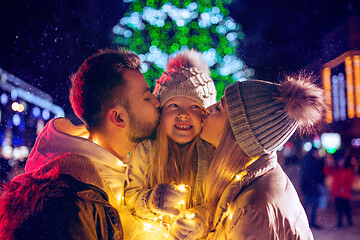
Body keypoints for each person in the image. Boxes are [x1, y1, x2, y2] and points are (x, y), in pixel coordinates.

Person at [0, 48, 160, 240]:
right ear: (118, 117)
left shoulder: (120, 177)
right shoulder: (71, 204)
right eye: (147, 97)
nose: (157, 102)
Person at [200, 76, 326, 239]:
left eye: (218, 108)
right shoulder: (250, 182)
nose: (207, 109)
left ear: (239, 132)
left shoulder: (253, 210)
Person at [123, 49, 217, 240]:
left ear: (205, 115)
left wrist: (199, 220)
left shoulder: (213, 153)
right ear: (160, 112)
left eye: (195, 107)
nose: (183, 114)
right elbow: (130, 197)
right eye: (174, 105)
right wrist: (152, 201)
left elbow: (220, 202)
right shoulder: (146, 150)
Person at [324, 153, 355, 228]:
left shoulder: (348, 169)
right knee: (338, 209)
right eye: (340, 160)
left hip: (345, 193)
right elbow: (326, 171)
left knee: (347, 208)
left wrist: (345, 188)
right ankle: (340, 223)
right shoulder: (335, 169)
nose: (341, 162)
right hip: (337, 192)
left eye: (343, 160)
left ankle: (349, 222)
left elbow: (350, 180)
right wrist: (327, 164)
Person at [301, 146, 325, 229]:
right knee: (310, 206)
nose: (318, 154)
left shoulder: (308, 161)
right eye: (317, 152)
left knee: (307, 206)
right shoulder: (313, 162)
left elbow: (304, 176)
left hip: (310, 188)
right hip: (312, 188)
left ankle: (305, 223)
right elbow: (317, 175)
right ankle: (309, 223)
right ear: (314, 152)